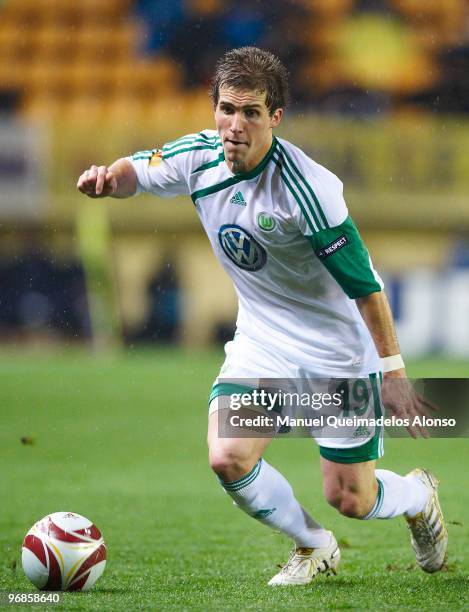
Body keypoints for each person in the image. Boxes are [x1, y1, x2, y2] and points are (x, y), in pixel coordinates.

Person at [77, 46, 448, 586]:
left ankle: (419, 496)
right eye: (226, 109)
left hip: (336, 351)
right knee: (227, 455)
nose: (234, 125)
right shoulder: (198, 157)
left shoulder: (310, 191)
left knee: (351, 497)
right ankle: (313, 545)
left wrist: (393, 375)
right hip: (263, 342)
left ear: (276, 117)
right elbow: (140, 169)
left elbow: (368, 291)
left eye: (250, 112)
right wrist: (109, 179)